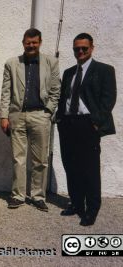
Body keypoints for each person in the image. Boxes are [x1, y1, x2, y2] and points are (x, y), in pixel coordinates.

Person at [56, 33, 116, 226]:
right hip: (68, 124)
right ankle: (76, 203)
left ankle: (92, 209)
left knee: (89, 168)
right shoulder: (68, 72)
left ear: (92, 48)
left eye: (84, 48)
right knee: (71, 166)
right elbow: (63, 98)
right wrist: (60, 119)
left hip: (88, 124)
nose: (80, 52)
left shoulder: (104, 70)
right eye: (76, 49)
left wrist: (96, 123)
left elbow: (108, 100)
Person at [0, 28, 60, 211]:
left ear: (40, 42)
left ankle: (37, 196)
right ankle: (18, 195)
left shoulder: (51, 62)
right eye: (28, 42)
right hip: (17, 115)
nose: (31, 45)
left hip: (40, 115)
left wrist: (48, 112)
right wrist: (4, 115)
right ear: (23, 43)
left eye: (34, 42)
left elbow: (56, 90)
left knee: (40, 160)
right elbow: (6, 92)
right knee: (18, 158)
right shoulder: (12, 63)